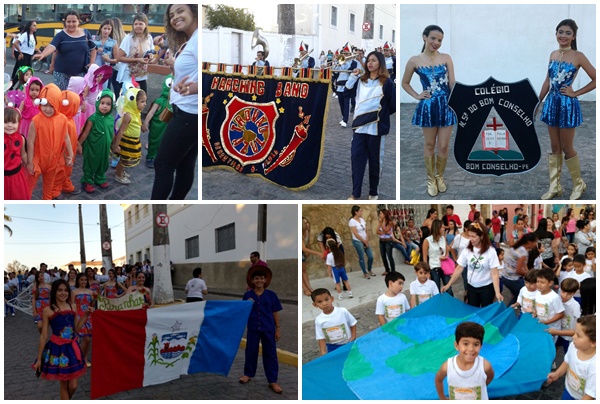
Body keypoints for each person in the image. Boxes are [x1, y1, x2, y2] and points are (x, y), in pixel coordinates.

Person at [538, 19, 596, 200]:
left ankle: (579, 184)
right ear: (556, 34)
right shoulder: (553, 54)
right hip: (551, 103)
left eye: (567, 33)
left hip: (567, 105)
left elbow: (596, 78)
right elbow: (547, 81)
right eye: (560, 32)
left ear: (574, 36)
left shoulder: (578, 56)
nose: (563, 36)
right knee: (554, 146)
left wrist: (575, 92)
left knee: (567, 147)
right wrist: (538, 102)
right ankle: (555, 186)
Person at [402, 25, 456, 197]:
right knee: (430, 144)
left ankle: (440, 176)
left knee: (444, 144)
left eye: (440, 40)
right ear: (424, 37)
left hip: (446, 106)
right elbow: (405, 82)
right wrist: (417, 95)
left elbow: (452, 83)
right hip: (428, 107)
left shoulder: (447, 58)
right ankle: (430, 178)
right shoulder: (414, 61)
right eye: (433, 38)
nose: (436, 43)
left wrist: (459, 101)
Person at [151, 5, 198, 200]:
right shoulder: (190, 40)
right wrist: (174, 66)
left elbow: (211, 77)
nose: (175, 18)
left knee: (162, 164)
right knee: (184, 165)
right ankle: (176, 201)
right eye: (171, 15)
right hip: (185, 110)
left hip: (188, 114)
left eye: (180, 11)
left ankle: (159, 208)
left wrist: (194, 88)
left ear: (194, 11)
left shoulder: (199, 39)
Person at [345, 50, 395, 200]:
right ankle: (355, 193)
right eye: (368, 61)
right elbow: (346, 93)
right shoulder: (361, 80)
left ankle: (373, 192)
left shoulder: (387, 83)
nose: (370, 63)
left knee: (375, 163)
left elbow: (392, 106)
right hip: (359, 128)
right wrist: (353, 76)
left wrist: (378, 116)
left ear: (380, 62)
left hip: (376, 130)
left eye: (373, 60)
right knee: (357, 161)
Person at [33, 280, 88, 399]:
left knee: (73, 385)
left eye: (65, 290)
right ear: (54, 292)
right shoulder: (48, 310)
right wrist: (39, 359)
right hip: (58, 350)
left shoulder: (73, 306)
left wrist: (86, 315)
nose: (63, 293)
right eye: (59, 290)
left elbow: (77, 328)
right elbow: (44, 335)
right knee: (64, 384)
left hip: (72, 348)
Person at [239, 266, 283, 394]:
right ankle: (248, 374)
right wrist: (247, 304)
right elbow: (242, 311)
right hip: (253, 328)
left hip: (268, 328)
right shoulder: (248, 295)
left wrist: (278, 328)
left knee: (270, 354)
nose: (259, 281)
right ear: (252, 281)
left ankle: (272, 380)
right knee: (251, 351)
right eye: (256, 279)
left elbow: (275, 312)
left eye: (262, 278)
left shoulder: (271, 295)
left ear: (265, 280)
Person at [442, 223, 504, 307]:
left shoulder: (490, 251)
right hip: (471, 288)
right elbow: (459, 268)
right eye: (469, 236)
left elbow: (495, 273)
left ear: (481, 236)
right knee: (473, 312)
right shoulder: (467, 250)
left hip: (486, 288)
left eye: (474, 236)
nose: (471, 239)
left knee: (485, 313)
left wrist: (497, 292)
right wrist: (448, 284)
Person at [32, 10, 96, 90]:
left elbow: (93, 48)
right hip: (61, 74)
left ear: (79, 21)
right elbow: (52, 46)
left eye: (74, 21)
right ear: (65, 22)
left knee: (77, 97)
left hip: (80, 73)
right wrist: (43, 54)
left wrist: (92, 63)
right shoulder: (60, 35)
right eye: (68, 21)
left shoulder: (85, 33)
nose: (71, 24)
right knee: (61, 98)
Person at [435, 322, 495, 400]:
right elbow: (438, 380)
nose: (471, 349)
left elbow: (490, 377)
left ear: (481, 346)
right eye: (466, 344)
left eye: (476, 344)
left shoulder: (485, 366)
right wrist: (442, 398)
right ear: (457, 345)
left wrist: (483, 385)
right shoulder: (448, 366)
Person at [73, 88, 114, 193]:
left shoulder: (110, 120)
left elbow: (111, 133)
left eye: (108, 104)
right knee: (90, 165)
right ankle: (87, 180)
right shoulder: (93, 119)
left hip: (104, 149)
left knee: (103, 164)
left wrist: (113, 144)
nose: (105, 106)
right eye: (102, 103)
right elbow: (85, 133)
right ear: (98, 103)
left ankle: (100, 178)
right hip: (92, 148)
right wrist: (78, 144)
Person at [546, 315, 596, 399]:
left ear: (593, 342)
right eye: (575, 332)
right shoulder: (574, 345)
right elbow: (567, 361)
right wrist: (557, 374)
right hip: (568, 391)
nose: (573, 337)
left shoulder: (595, 367)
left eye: (578, 335)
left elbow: (589, 396)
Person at [112, 87, 146, 184]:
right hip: (126, 141)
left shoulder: (136, 113)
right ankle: (118, 175)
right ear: (133, 102)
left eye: (145, 101)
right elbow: (121, 130)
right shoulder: (128, 115)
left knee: (126, 159)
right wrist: (116, 144)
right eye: (142, 101)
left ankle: (120, 171)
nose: (145, 104)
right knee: (124, 159)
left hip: (133, 141)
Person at [115, 13, 155, 95]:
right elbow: (119, 57)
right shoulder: (128, 39)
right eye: (136, 24)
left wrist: (150, 56)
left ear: (146, 25)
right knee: (129, 99)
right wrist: (137, 59)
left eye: (140, 24)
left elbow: (151, 52)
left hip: (141, 74)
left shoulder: (149, 38)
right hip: (128, 74)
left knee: (142, 99)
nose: (138, 26)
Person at [312, 288, 357, 355]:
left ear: (332, 299)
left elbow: (353, 323)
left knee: (353, 360)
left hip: (348, 343)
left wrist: (353, 337)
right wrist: (323, 351)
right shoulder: (319, 320)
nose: (324, 303)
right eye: (320, 302)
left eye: (326, 299)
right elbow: (321, 337)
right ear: (315, 305)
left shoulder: (342, 311)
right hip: (332, 347)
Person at [53, 90, 80, 196]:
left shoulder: (69, 119)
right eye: (76, 105)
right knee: (60, 171)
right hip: (64, 154)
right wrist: (65, 155)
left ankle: (65, 184)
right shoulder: (64, 121)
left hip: (70, 152)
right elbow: (62, 140)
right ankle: (54, 191)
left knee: (66, 171)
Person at [143, 74, 172, 168]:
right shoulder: (159, 101)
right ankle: (150, 157)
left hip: (167, 128)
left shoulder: (174, 102)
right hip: (156, 127)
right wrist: (146, 122)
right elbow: (151, 113)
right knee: (153, 142)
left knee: (165, 143)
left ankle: (160, 158)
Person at [502, 233, 539, 306]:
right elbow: (518, 270)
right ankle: (508, 311)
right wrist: (530, 276)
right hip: (512, 279)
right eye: (535, 242)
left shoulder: (517, 246)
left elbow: (524, 266)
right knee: (522, 295)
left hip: (505, 276)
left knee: (515, 295)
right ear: (529, 242)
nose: (536, 244)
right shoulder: (523, 253)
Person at [548, 278, 581, 356]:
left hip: (568, 336)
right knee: (553, 347)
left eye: (569, 294)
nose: (565, 296)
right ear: (560, 289)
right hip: (557, 330)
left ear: (574, 293)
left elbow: (577, 326)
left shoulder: (575, 306)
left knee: (568, 353)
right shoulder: (556, 299)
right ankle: (553, 361)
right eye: (563, 292)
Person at [423, 219, 455, 296]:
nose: (444, 229)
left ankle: (450, 305)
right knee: (436, 290)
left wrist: (445, 256)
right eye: (442, 227)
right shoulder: (427, 240)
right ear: (437, 228)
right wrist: (427, 272)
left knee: (449, 289)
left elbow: (446, 251)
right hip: (434, 268)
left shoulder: (443, 239)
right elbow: (424, 258)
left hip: (444, 267)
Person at [4, 107, 30, 200]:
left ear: (19, 123)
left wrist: (28, 164)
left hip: (17, 176)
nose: (9, 125)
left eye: (13, 122)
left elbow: (23, 154)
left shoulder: (21, 138)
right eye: (6, 122)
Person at [533, 268, 565, 341]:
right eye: (537, 281)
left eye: (542, 282)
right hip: (540, 324)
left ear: (550, 283)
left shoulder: (554, 297)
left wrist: (547, 322)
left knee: (549, 345)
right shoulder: (537, 292)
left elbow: (560, 314)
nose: (539, 284)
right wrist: (535, 311)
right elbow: (536, 304)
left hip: (552, 328)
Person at [71, 272, 93, 367]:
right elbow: (72, 304)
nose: (83, 282)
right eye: (81, 280)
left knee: (87, 339)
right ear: (78, 281)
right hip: (79, 316)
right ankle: (82, 358)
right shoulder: (74, 292)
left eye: (85, 280)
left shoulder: (90, 292)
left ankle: (82, 357)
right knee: (86, 339)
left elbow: (92, 305)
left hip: (89, 317)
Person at [333, 43, 358, 128]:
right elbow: (335, 72)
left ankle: (345, 120)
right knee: (341, 103)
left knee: (346, 103)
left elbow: (351, 70)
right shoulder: (340, 62)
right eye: (343, 53)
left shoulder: (353, 62)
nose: (344, 55)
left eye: (346, 53)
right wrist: (338, 65)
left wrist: (344, 64)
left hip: (347, 85)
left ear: (350, 54)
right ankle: (343, 117)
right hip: (339, 85)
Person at [10, 21, 38, 88]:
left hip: (29, 57)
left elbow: (31, 47)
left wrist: (39, 51)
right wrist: (20, 53)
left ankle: (20, 87)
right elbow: (15, 43)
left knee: (29, 73)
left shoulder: (33, 35)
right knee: (21, 73)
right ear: (30, 27)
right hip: (24, 56)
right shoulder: (25, 34)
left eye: (36, 25)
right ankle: (11, 86)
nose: (35, 27)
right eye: (34, 25)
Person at [349, 205, 375, 278]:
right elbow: (355, 233)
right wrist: (363, 241)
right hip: (358, 241)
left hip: (365, 239)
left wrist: (366, 239)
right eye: (360, 211)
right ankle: (365, 272)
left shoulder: (362, 219)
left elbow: (365, 230)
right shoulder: (352, 221)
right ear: (356, 212)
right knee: (362, 257)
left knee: (370, 256)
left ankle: (369, 269)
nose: (361, 212)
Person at [92, 19, 117, 90]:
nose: (106, 31)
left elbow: (117, 59)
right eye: (105, 28)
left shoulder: (113, 42)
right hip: (94, 68)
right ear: (101, 28)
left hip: (104, 71)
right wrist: (95, 50)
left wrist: (108, 59)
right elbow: (88, 52)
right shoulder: (94, 39)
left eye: (109, 29)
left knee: (102, 89)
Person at [32, 268, 52, 334]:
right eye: (39, 276)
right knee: (40, 326)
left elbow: (52, 297)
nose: (41, 277)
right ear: (37, 278)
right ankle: (42, 336)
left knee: (46, 326)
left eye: (42, 275)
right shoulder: (35, 287)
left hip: (47, 307)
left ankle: (44, 338)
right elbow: (33, 299)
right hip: (39, 308)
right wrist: (34, 310)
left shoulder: (49, 286)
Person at [377, 209, 396, 276]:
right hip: (382, 241)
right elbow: (377, 231)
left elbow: (386, 229)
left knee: (389, 256)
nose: (380, 215)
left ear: (384, 214)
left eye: (381, 213)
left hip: (388, 241)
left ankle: (393, 271)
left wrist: (382, 223)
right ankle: (387, 269)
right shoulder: (380, 221)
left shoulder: (390, 222)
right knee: (383, 256)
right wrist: (384, 232)